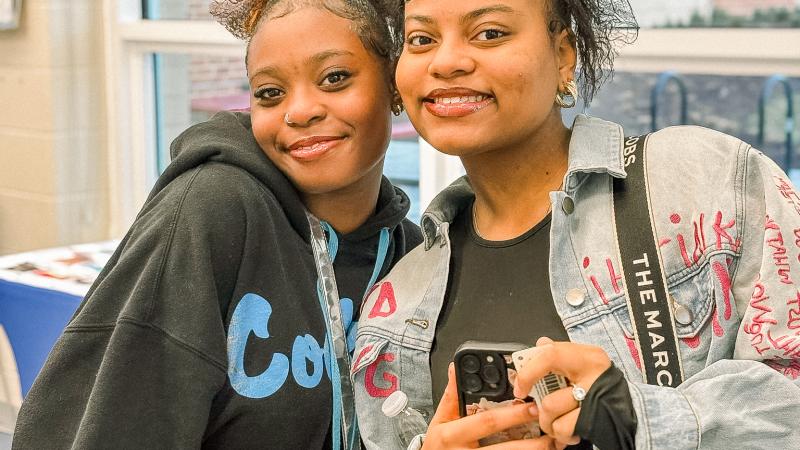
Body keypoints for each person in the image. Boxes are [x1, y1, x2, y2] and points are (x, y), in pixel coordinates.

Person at [352, 0, 800, 449]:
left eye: (490, 33)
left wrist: (639, 421)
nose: (446, 61)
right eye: (422, 40)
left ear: (563, 54)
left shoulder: (709, 181)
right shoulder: (392, 311)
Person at [12, 0, 419, 448]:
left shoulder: (411, 256)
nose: (299, 111)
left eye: (334, 79)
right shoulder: (213, 210)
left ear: (394, 83)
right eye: (269, 92)